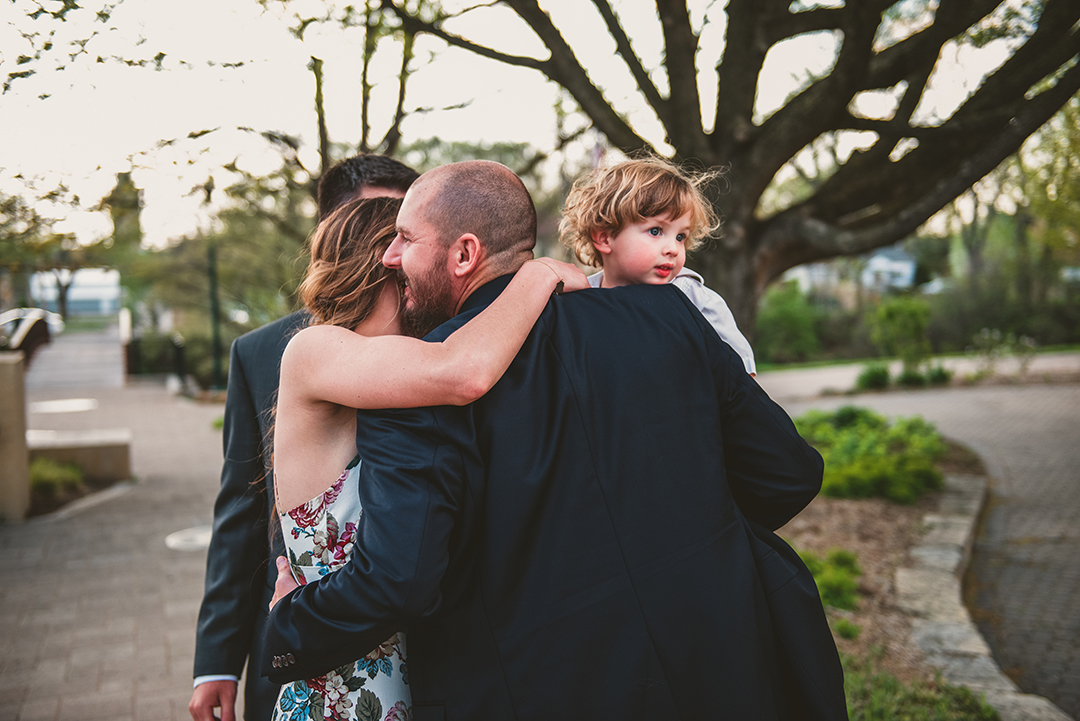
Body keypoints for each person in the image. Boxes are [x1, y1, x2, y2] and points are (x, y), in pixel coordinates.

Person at [263, 160, 846, 719]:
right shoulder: (669, 318)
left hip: (527, 692)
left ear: (464, 253)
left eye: (407, 240)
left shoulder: (415, 390)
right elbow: (787, 472)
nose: (394, 256)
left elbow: (403, 580)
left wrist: (285, 626)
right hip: (722, 662)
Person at [269, 196, 585, 720]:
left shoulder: (402, 377)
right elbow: (463, 371)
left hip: (431, 679)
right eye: (409, 267)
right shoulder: (314, 351)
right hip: (345, 686)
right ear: (379, 269)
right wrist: (535, 274)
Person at [190, 154, 419, 721]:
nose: (392, 249)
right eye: (378, 223)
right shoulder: (271, 351)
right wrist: (217, 661)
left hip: (425, 651)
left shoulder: (435, 328)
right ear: (333, 230)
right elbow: (241, 514)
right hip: (306, 637)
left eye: (406, 226)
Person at [560, 155, 756, 375]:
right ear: (605, 238)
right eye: (656, 231)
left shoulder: (694, 299)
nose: (673, 248)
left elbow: (741, 379)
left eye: (681, 237)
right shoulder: (582, 300)